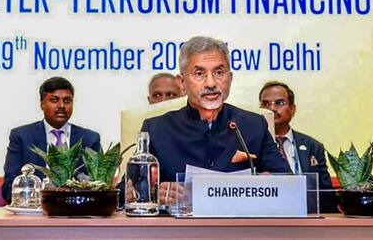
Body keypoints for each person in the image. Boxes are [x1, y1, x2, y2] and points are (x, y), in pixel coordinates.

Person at [140, 36, 290, 203]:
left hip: (239, 219)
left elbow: (291, 185)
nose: (211, 83)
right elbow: (130, 191)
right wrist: (155, 193)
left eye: (219, 72)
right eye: (199, 74)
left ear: (230, 78)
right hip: (178, 220)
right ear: (182, 83)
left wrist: (272, 182)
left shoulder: (254, 125)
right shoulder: (157, 129)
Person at [2, 76, 101, 204]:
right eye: (54, 100)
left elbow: (99, 186)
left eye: (67, 100)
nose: (61, 106)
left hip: (76, 210)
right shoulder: (21, 136)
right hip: (34, 209)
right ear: (42, 104)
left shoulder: (89, 139)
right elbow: (9, 187)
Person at [258, 81, 332, 190]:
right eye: (266, 104)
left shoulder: (313, 147)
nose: (272, 108)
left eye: (280, 103)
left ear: (292, 109)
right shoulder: (250, 144)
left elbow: (325, 191)